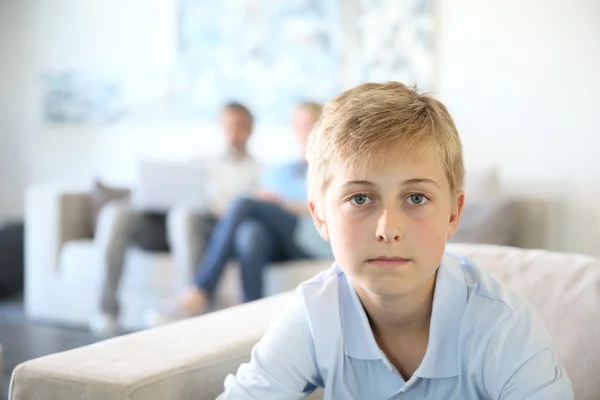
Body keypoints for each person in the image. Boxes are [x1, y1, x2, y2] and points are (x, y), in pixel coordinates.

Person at [218, 82, 574, 399]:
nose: (388, 229)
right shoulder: (316, 313)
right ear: (320, 217)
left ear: (453, 213)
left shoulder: (504, 329)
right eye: (360, 199)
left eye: (416, 198)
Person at [90, 102, 262, 334]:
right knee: (116, 213)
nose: (232, 133)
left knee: (184, 215)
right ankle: (106, 310)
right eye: (227, 126)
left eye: (239, 126)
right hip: (169, 225)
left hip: (211, 231)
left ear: (250, 130)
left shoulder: (259, 171)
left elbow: (246, 214)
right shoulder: (200, 161)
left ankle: (190, 305)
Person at [154, 102, 329, 319]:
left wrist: (282, 203)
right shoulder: (280, 171)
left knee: (243, 203)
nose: (303, 131)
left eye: (309, 124)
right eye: (298, 124)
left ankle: (200, 289)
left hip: (308, 237)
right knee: (250, 234)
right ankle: (250, 318)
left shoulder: (329, 169)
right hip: (277, 242)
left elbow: (327, 209)